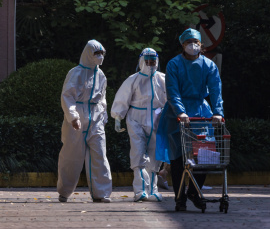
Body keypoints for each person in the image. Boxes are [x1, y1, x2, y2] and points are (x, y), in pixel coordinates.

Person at [156, 28, 224, 211]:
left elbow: (216, 90)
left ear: (201, 44)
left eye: (196, 41)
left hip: (201, 113)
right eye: (188, 42)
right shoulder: (174, 64)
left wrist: (218, 112)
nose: (192, 45)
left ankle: (194, 192)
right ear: (182, 44)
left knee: (205, 157)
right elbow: (172, 91)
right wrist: (180, 112)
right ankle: (180, 199)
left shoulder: (209, 66)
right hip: (177, 116)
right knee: (178, 160)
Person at [57, 39, 112, 203]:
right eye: (97, 53)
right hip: (79, 114)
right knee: (71, 155)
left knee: (100, 154)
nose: (100, 57)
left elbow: (102, 98)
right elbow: (67, 95)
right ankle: (64, 191)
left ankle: (101, 193)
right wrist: (73, 116)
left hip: (96, 117)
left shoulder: (101, 75)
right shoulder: (76, 72)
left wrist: (103, 116)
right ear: (88, 54)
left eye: (102, 53)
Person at [111, 48, 166, 202]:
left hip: (157, 119)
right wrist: (117, 117)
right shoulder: (133, 80)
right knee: (138, 152)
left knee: (155, 156)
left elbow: (170, 99)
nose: (150, 64)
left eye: (152, 61)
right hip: (136, 119)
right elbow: (122, 98)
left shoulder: (163, 79)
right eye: (147, 61)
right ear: (141, 61)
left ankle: (153, 190)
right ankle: (140, 190)